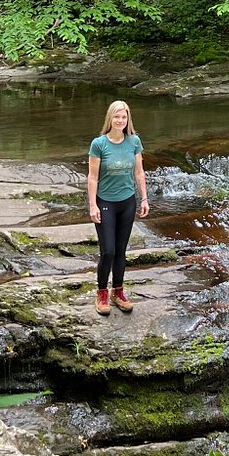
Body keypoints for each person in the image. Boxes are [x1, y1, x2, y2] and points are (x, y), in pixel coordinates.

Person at [87, 100, 149, 315]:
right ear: (110, 119)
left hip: (128, 202)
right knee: (108, 251)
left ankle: (118, 292)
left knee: (121, 252)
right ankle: (102, 293)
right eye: (117, 117)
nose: (120, 121)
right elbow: (93, 177)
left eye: (124, 117)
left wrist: (144, 199)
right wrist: (93, 204)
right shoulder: (99, 144)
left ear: (127, 119)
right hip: (105, 203)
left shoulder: (134, 142)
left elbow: (139, 172)